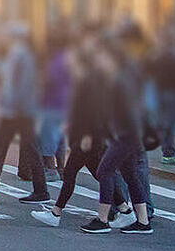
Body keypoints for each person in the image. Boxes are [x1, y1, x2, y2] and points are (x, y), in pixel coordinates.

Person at [32, 31, 132, 227]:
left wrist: (86, 133)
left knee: (71, 174)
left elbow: (93, 108)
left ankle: (56, 213)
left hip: (89, 135)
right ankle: (124, 209)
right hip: (88, 134)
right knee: (99, 172)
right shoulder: (86, 78)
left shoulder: (91, 79)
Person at [80, 43, 154, 234]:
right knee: (130, 175)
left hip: (126, 135)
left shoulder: (119, 82)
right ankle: (143, 222)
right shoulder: (115, 80)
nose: (98, 62)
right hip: (125, 134)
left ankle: (102, 220)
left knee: (104, 169)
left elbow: (129, 110)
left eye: (101, 58)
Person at [0, 23, 51, 204]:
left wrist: (14, 106)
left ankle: (40, 191)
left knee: (24, 148)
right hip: (15, 110)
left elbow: (23, 84)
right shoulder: (14, 54)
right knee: (6, 147)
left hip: (19, 111)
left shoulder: (22, 55)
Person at [148, 27, 175, 165]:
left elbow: (149, 71)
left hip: (160, 92)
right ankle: (168, 153)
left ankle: (165, 150)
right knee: (171, 124)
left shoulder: (156, 54)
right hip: (173, 92)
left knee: (164, 122)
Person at [38, 27, 73, 181]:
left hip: (53, 101)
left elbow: (50, 80)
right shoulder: (68, 57)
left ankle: (50, 168)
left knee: (48, 136)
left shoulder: (55, 60)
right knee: (60, 136)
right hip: (65, 101)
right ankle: (61, 168)